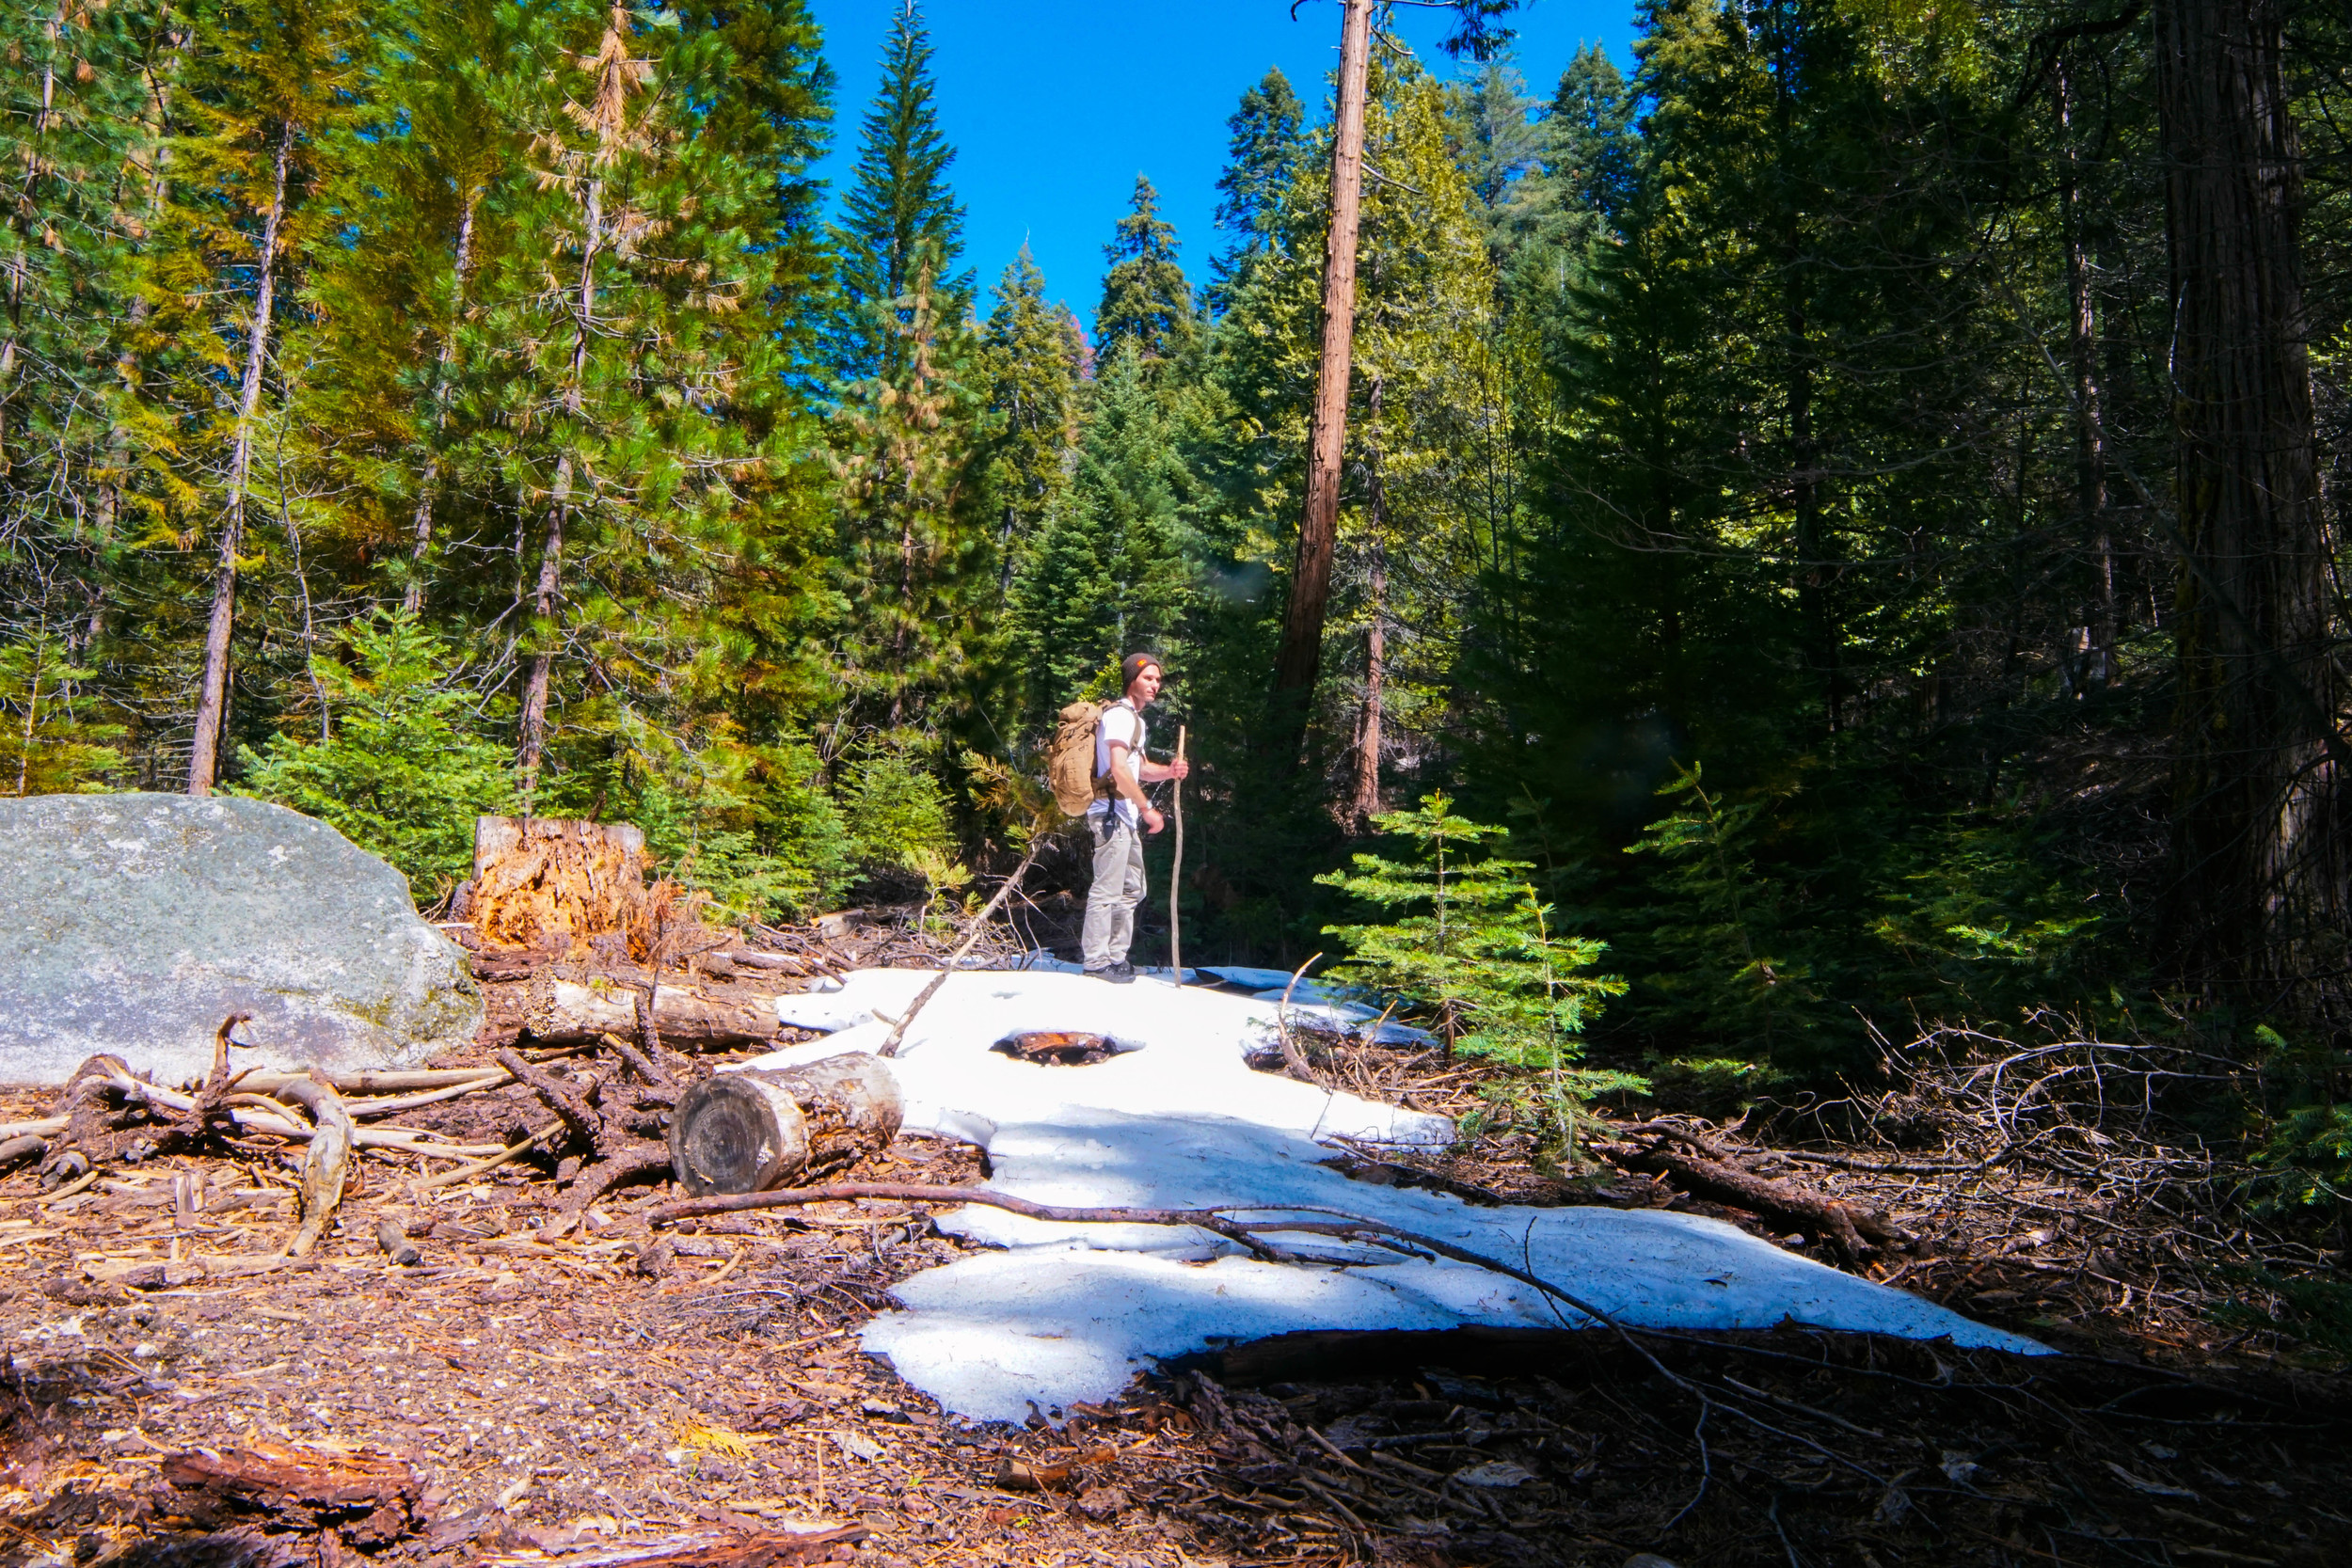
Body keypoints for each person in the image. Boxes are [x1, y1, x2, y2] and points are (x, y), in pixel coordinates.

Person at [1083, 652, 1189, 983]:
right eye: (1148, 678)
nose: (1155, 685)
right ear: (1132, 680)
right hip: (1111, 813)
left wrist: (1169, 771)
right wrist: (1147, 809)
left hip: (1124, 817)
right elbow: (1117, 769)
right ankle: (1096, 962)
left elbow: (1139, 768)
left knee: (1132, 888)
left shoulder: (1136, 721)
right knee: (1107, 889)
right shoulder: (1118, 716)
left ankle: (1116, 958)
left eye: (1158, 679)